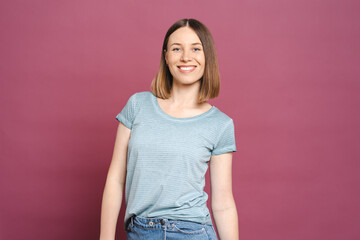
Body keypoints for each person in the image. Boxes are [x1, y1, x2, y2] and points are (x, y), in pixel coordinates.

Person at [100, 18, 239, 240]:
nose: (186, 57)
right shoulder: (138, 105)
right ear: (166, 56)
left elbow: (223, 203)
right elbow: (115, 179)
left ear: (207, 57)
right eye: (177, 49)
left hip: (193, 232)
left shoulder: (220, 124)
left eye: (196, 48)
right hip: (140, 231)